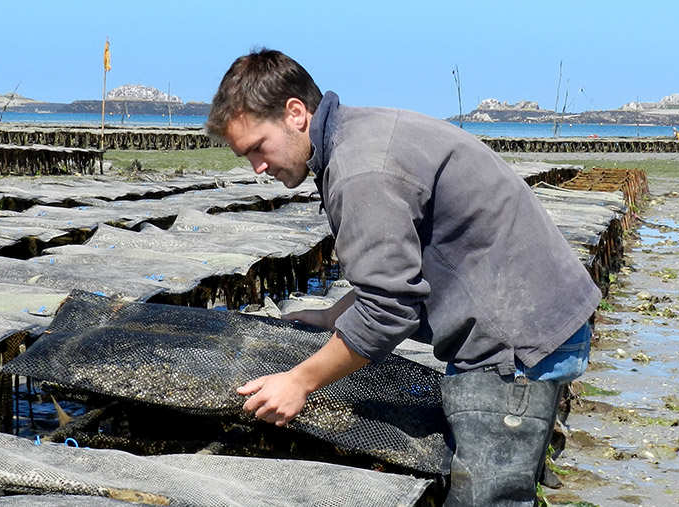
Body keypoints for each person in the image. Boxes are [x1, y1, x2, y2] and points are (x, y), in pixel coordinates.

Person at [205, 48, 600, 506]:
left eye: (258, 147)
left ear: (295, 113)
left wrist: (300, 380)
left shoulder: (361, 169)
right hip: (532, 321)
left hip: (514, 346)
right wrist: (335, 314)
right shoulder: (359, 135)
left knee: (486, 500)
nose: (258, 167)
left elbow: (390, 310)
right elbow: (400, 274)